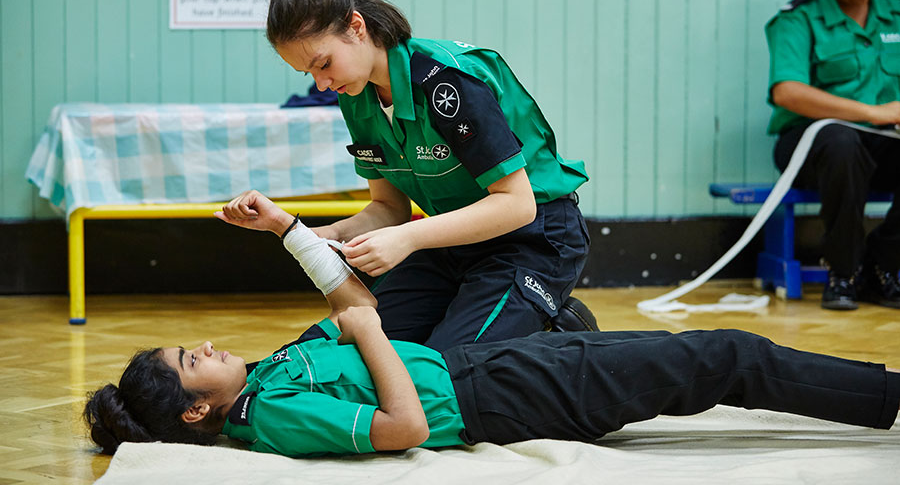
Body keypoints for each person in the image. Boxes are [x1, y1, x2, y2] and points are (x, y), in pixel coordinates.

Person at [84, 191, 900, 457]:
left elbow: (350, 303)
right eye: (197, 359)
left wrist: (290, 232)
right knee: (725, 358)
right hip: (496, 395)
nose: (212, 346)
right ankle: (888, 397)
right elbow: (401, 425)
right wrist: (365, 332)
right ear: (199, 409)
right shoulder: (273, 416)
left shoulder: (268, 376)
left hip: (489, 369)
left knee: (630, 334)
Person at [264, 0, 595, 352]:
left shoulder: (447, 81)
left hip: (533, 236)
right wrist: (323, 237)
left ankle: (558, 328)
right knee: (338, 349)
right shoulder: (355, 96)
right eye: (308, 73)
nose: (321, 84)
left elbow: (516, 204)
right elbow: (389, 209)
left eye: (324, 64)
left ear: (356, 27)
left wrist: (407, 239)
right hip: (449, 243)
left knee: (448, 371)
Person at [766, 0, 900, 310]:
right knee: (843, 143)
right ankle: (842, 272)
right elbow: (788, 91)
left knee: (860, 148)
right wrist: (873, 113)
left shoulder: (895, 11)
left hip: (881, 146)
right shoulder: (799, 16)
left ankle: (884, 259)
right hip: (814, 146)